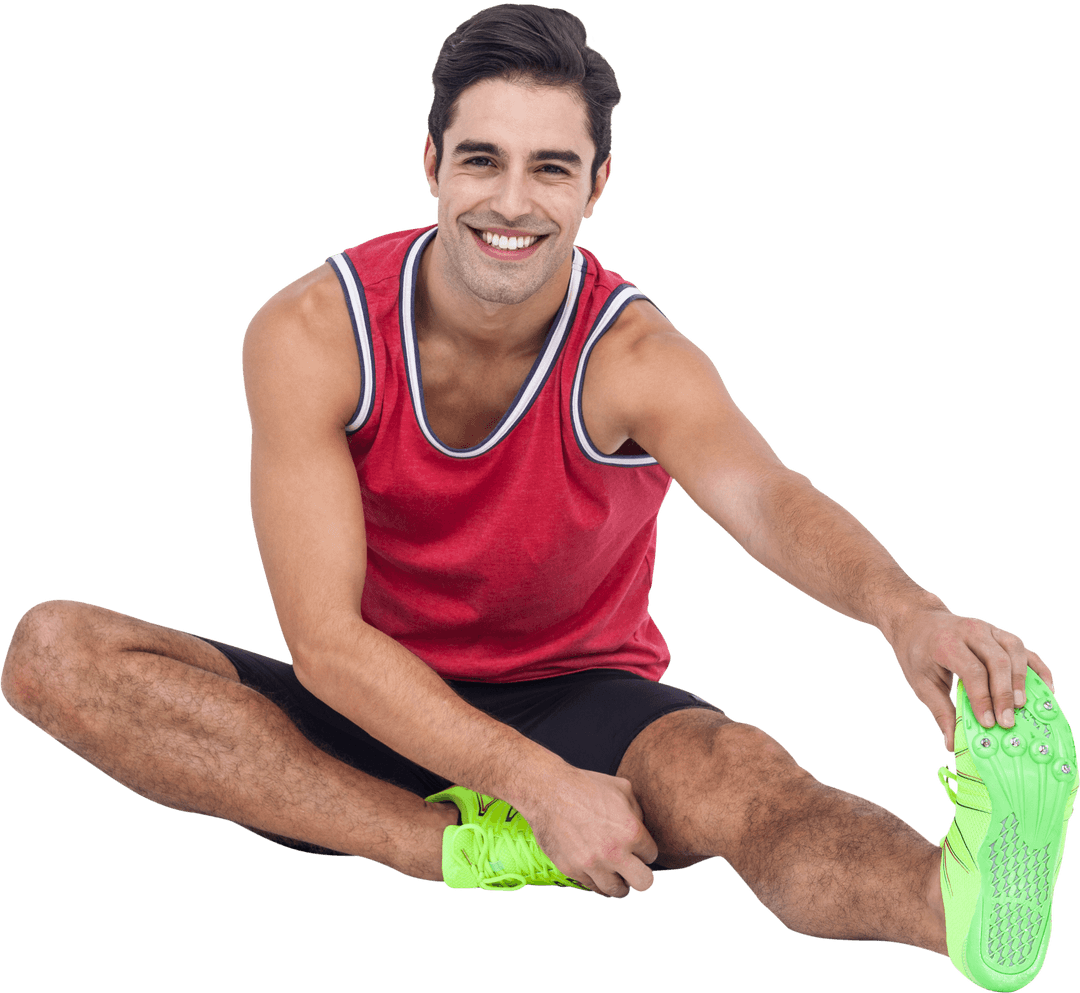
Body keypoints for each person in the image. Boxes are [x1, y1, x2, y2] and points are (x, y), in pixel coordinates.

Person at [2, 5, 1074, 990]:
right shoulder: (311, 332)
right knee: (52, 652)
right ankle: (458, 849)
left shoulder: (636, 356)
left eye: (550, 169)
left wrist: (907, 610)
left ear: (595, 185)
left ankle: (951, 903)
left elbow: (766, 497)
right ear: (430, 163)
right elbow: (323, 641)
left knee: (747, 779)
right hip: (375, 696)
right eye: (482, 160)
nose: (512, 202)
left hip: (580, 700)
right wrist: (525, 790)